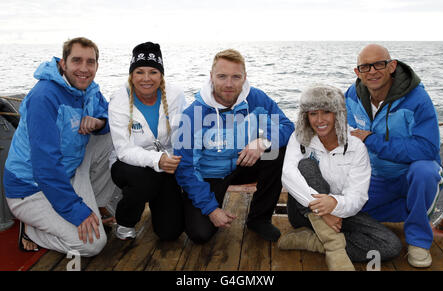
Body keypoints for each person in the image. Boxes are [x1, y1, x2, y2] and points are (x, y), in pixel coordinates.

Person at [4, 37, 117, 256]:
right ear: (63, 64)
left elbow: (111, 116)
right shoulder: (44, 97)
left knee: (114, 137)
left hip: (68, 173)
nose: (84, 69)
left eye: (90, 62)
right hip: (30, 188)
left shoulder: (90, 89)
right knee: (92, 245)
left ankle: (97, 206)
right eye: (77, 61)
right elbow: (45, 166)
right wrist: (77, 212)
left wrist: (100, 122)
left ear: (97, 65)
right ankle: (31, 230)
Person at [174, 49, 295, 244]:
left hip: (244, 162)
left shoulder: (257, 99)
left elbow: (288, 126)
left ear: (244, 78)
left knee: (277, 152)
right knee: (200, 234)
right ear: (211, 76)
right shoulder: (193, 113)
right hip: (210, 174)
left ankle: (259, 219)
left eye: (236, 77)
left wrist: (262, 141)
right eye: (222, 76)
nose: (229, 84)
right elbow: (185, 166)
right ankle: (192, 202)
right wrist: (211, 210)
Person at [279, 84, 402, 271]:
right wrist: (323, 210)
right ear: (306, 116)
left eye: (326, 112)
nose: (319, 120)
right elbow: (287, 175)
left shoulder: (356, 146)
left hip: (340, 212)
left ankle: (313, 242)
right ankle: (334, 249)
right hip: (304, 212)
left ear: (338, 114)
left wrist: (334, 205)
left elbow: (357, 196)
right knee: (306, 166)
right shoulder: (300, 137)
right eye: (313, 113)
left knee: (390, 245)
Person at [345, 44, 443, 268]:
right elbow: (337, 128)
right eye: (365, 67)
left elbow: (427, 148)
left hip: (410, 175)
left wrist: (372, 139)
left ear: (392, 66)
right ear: (357, 72)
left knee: (425, 171)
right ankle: (408, 208)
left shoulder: (417, 98)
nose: (372, 71)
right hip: (376, 177)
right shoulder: (351, 96)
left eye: (379, 64)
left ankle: (418, 240)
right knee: (348, 210)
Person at [108, 42, 186, 241]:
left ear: (161, 75)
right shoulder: (119, 99)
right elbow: (123, 150)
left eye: (153, 72)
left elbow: (183, 135)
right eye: (139, 72)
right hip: (126, 165)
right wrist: (157, 160)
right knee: (145, 180)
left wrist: (172, 161)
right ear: (131, 75)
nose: (146, 78)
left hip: (165, 165)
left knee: (170, 233)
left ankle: (158, 203)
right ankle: (125, 220)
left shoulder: (176, 95)